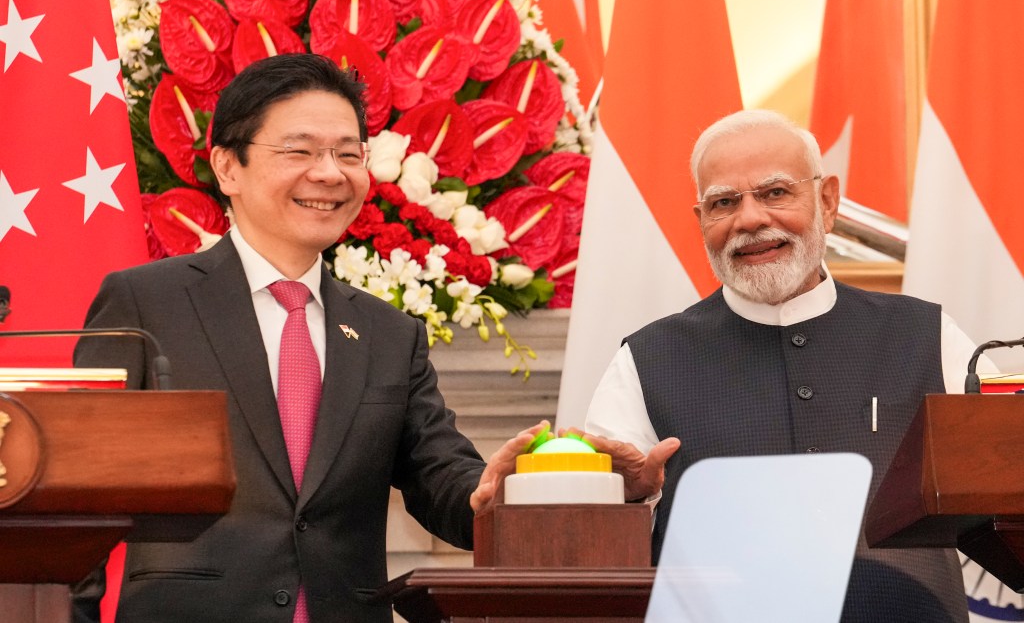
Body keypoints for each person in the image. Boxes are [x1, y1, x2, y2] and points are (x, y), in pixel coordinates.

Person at [72, 53, 543, 623]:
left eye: (349, 154)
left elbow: (440, 474)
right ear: (228, 168)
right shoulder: (146, 305)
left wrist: (496, 493)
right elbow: (79, 492)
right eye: (300, 151)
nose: (329, 173)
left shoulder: (389, 334)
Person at [580, 109, 992, 622]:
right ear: (701, 221)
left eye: (775, 193)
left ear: (827, 200)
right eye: (724, 202)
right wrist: (629, 500)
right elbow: (586, 534)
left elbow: (1000, 481)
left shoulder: (927, 337)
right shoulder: (646, 359)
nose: (750, 219)